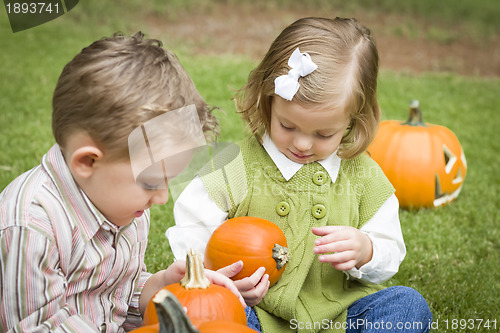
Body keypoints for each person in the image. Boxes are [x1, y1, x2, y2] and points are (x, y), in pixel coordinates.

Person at [166, 17, 433, 332]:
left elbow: (390, 249)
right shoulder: (236, 164)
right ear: (269, 102)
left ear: (352, 121)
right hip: (255, 311)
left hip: (342, 314)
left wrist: (366, 250)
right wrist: (218, 276)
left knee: (408, 306)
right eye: (287, 126)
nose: (302, 143)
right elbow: (191, 226)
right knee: (209, 315)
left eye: (323, 134)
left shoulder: (364, 178)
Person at [0, 32, 244, 332]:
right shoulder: (32, 227)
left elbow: (117, 294)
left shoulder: (123, 206)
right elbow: (38, 326)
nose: (162, 198)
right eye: (153, 183)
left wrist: (162, 286)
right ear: (88, 162)